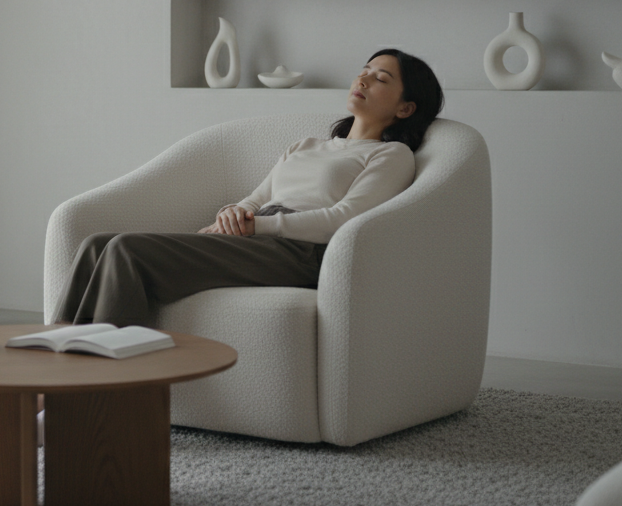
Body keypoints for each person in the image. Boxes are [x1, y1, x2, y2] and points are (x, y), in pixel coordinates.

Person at [53, 48, 445, 328]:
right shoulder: (306, 145)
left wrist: (257, 226)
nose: (362, 79)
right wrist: (232, 213)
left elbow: (342, 220)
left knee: (125, 250)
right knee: (96, 244)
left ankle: (109, 395)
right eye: (365, 70)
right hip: (257, 235)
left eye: (381, 79)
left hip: (303, 252)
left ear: (405, 108)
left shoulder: (391, 155)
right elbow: (258, 199)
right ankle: (57, 373)